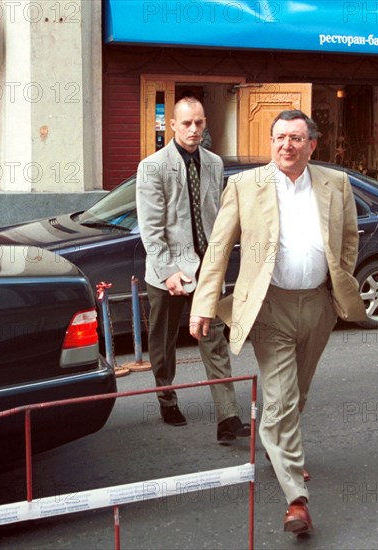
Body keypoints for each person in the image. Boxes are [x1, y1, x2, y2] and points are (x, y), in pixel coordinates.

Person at [189, 110, 366, 535]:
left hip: (319, 306)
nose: (287, 145)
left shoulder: (335, 184)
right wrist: (203, 304)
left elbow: (349, 238)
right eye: (280, 137)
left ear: (312, 145)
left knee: (296, 394)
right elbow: (217, 248)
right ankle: (296, 501)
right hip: (270, 308)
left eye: (296, 138)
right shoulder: (245, 186)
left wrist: (339, 279)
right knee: (281, 397)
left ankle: (279, 446)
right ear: (272, 142)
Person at [136, 96, 250, 443]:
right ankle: (166, 397)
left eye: (199, 122)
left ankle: (227, 418)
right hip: (166, 273)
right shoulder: (153, 167)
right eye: (186, 123)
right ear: (173, 125)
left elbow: (217, 217)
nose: (194, 129)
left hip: (206, 271)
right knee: (163, 342)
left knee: (213, 339)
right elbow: (151, 229)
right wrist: (169, 271)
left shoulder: (214, 164)